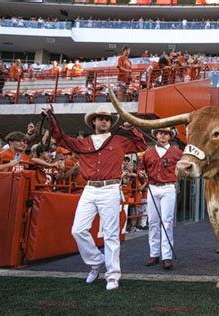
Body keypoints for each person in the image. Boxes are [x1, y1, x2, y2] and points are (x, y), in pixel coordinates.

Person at [45, 103, 147, 291]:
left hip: (110, 188)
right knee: (78, 230)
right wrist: (52, 117)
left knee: (110, 234)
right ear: (94, 121)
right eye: (101, 118)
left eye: (107, 119)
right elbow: (60, 138)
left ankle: (113, 275)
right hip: (90, 189)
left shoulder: (119, 141)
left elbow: (141, 145)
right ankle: (96, 261)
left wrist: (131, 128)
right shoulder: (83, 142)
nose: (105, 121)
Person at [139, 127, 182, 270]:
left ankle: (167, 256)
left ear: (170, 136)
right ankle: (154, 254)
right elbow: (140, 168)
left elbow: (185, 167)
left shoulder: (177, 152)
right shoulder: (148, 152)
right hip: (152, 187)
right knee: (152, 222)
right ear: (156, 135)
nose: (163, 135)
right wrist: (141, 175)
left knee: (167, 221)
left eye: (166, 133)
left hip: (168, 187)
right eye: (160, 133)